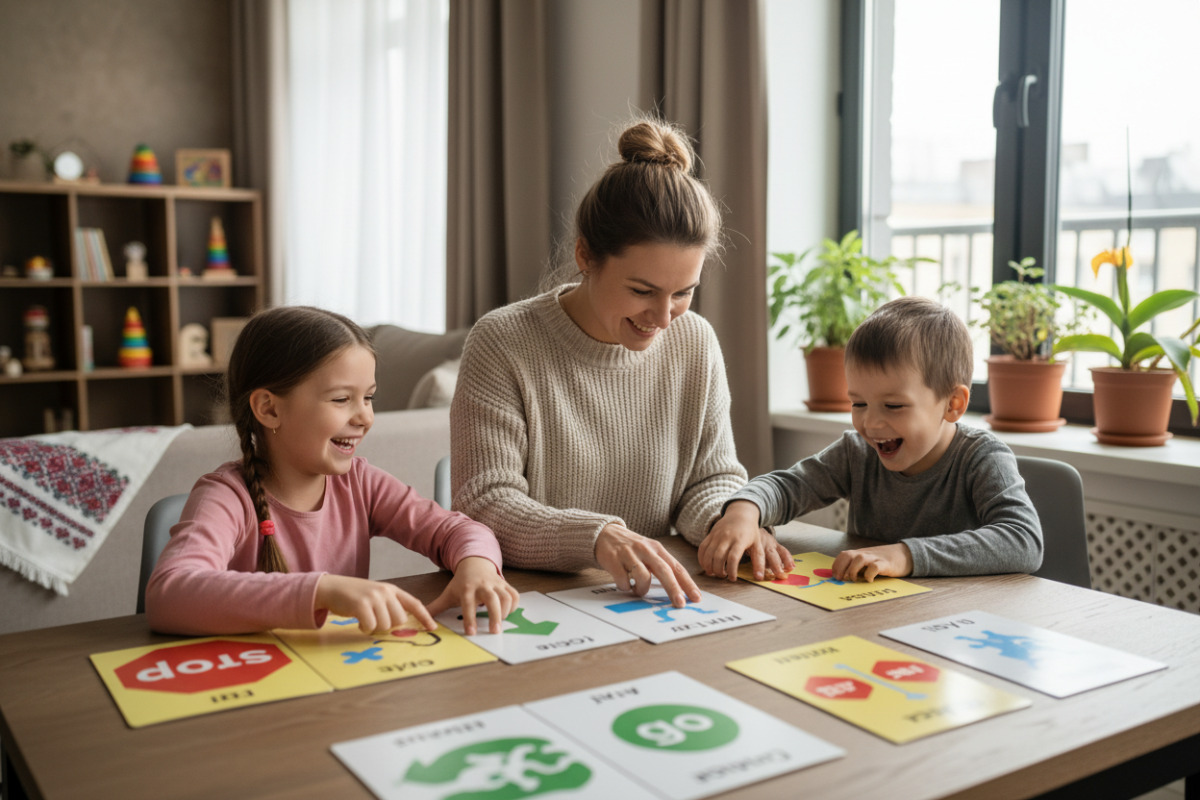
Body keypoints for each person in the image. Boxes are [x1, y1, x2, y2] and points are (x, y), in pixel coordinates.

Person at [450, 118, 793, 609]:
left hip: (644, 601)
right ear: (586, 255)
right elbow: (486, 504)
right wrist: (598, 536)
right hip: (530, 600)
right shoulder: (503, 342)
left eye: (683, 293)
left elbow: (709, 478)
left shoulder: (695, 342)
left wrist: (732, 517)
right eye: (641, 291)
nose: (662, 317)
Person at [146, 306, 519, 636]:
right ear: (269, 409)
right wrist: (323, 591)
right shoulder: (227, 496)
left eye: (368, 397)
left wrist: (478, 566)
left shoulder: (361, 483)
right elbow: (170, 593)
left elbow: (456, 529)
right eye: (342, 399)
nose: (365, 417)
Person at [708, 296, 1043, 582]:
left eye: (893, 406)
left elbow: (1023, 540)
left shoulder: (982, 458)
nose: (869, 423)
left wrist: (906, 556)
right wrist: (745, 508)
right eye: (858, 403)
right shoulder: (857, 453)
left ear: (953, 404)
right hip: (876, 614)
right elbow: (788, 487)